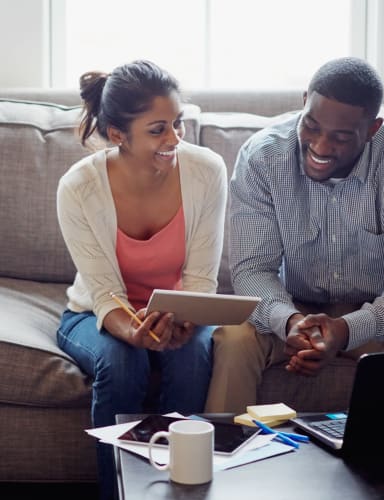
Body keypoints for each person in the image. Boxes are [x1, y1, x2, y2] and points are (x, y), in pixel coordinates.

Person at [204, 57, 384, 413]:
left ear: (372, 129)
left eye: (340, 137)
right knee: (234, 336)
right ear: (304, 102)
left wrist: (346, 330)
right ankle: (226, 460)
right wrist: (288, 322)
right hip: (294, 310)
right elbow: (252, 270)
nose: (320, 146)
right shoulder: (263, 158)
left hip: (378, 316)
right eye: (312, 126)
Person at [56, 60, 227, 499]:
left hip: (180, 309)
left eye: (178, 124)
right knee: (120, 362)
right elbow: (104, 292)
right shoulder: (79, 187)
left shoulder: (207, 171)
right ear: (118, 135)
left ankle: (182, 488)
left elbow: (200, 279)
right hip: (97, 313)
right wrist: (135, 331)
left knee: (192, 356)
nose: (174, 139)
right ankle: (120, 491)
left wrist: (185, 319)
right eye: (157, 130)